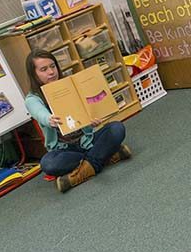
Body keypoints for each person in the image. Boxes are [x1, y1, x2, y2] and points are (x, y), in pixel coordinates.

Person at [24, 49, 132, 193]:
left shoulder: (70, 85)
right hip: (65, 151)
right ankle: (105, 156)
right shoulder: (33, 98)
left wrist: (92, 120)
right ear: (34, 74)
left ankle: (84, 170)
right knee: (48, 164)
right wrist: (49, 119)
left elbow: (88, 109)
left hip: (87, 141)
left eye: (52, 66)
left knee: (117, 128)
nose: (51, 72)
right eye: (44, 69)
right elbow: (39, 112)